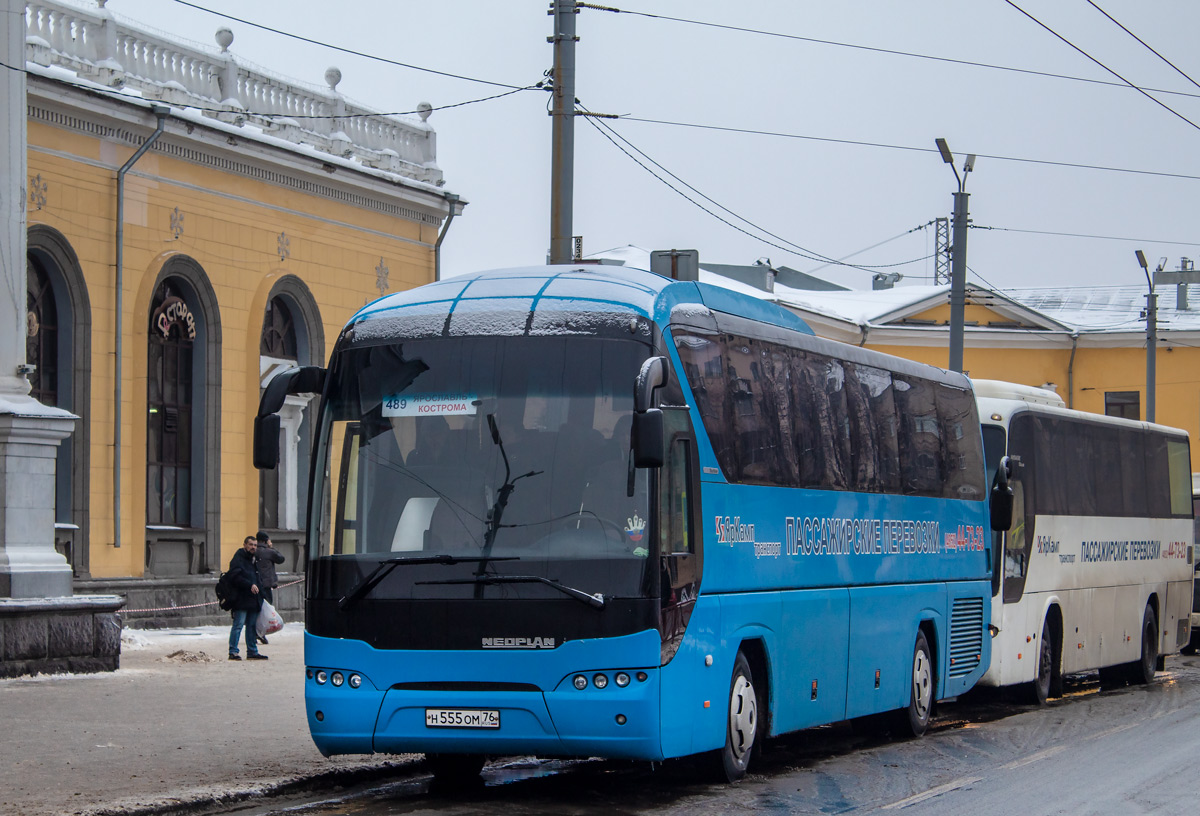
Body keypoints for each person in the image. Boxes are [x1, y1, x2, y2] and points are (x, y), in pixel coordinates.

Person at [227, 535, 267, 661]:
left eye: (255, 545)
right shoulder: (239, 558)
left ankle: (252, 651)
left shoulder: (254, 559)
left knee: (251, 626)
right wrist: (249, 585)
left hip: (254, 599)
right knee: (238, 625)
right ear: (244, 545)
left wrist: (261, 594)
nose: (253, 547)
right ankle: (233, 651)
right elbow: (234, 576)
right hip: (241, 599)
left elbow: (258, 578)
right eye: (250, 545)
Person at [253, 530, 285, 644]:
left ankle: (255, 633)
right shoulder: (269, 552)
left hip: (255, 585)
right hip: (266, 586)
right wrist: (272, 547)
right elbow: (281, 559)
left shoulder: (254, 550)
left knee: (256, 611)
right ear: (266, 540)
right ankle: (260, 633)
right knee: (265, 611)